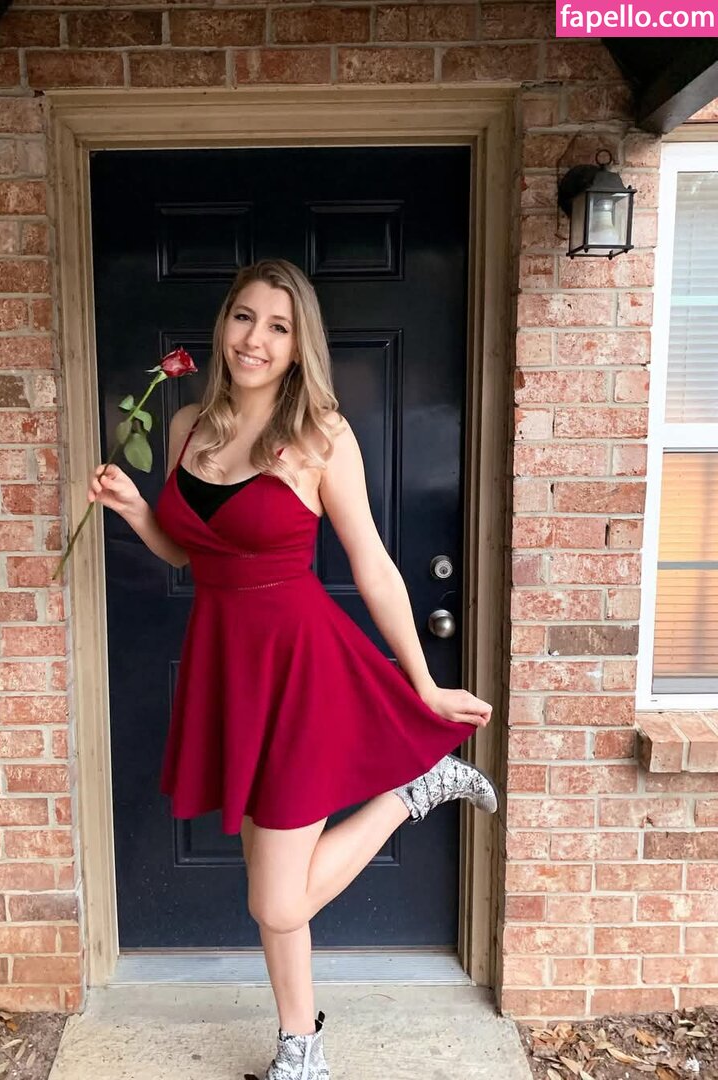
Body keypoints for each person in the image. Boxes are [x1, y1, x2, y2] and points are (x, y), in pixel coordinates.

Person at [87, 258, 498, 1080]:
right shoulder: (187, 427)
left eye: (278, 326)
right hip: (226, 671)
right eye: (244, 317)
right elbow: (193, 553)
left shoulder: (320, 435)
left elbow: (373, 565)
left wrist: (422, 682)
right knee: (273, 881)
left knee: (276, 899)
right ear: (223, 324)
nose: (256, 339)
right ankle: (299, 1050)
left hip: (301, 672)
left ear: (298, 343)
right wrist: (135, 511)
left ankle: (414, 790)